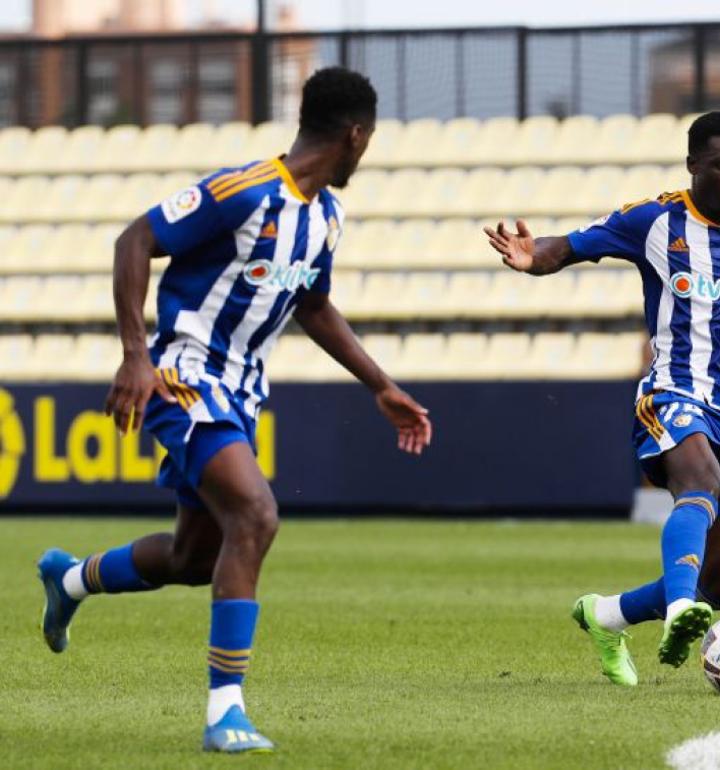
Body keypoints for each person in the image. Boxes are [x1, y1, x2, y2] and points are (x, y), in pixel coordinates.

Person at [35, 68, 433, 754]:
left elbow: (312, 306)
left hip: (242, 391)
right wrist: (136, 355)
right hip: (184, 375)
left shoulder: (326, 219)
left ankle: (70, 578)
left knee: (195, 558)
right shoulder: (242, 191)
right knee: (256, 514)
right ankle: (225, 713)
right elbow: (134, 240)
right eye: (368, 143)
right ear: (355, 135)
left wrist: (379, 383)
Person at [483, 111, 720, 685]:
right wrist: (534, 258)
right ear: (693, 167)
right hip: (673, 393)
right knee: (698, 482)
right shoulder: (654, 220)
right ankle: (680, 612)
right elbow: (573, 246)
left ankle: (606, 615)